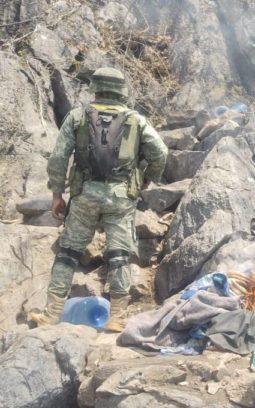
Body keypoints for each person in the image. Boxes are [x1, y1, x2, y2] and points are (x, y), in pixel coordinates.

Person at [28, 67, 168, 332]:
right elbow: (160, 152)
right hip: (122, 197)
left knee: (68, 253)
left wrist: (57, 195)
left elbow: (58, 158)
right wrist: (149, 178)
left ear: (95, 89)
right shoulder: (136, 120)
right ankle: (117, 318)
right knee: (119, 256)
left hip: (84, 196)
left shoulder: (77, 117)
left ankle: (51, 314)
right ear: (121, 91)